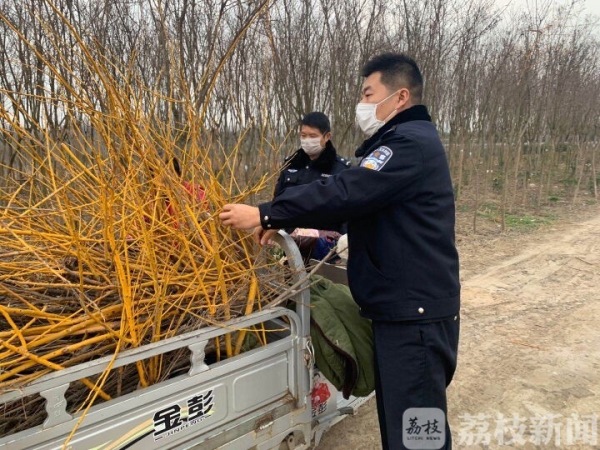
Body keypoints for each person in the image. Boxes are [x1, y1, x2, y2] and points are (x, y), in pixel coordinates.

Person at [220, 52, 460, 450]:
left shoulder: (408, 145)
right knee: (404, 426)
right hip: (401, 310)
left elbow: (345, 192)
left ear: (400, 97)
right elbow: (352, 201)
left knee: (418, 431)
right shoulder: (396, 143)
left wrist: (265, 213)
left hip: (414, 318)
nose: (362, 104)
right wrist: (281, 221)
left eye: (369, 93)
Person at [265, 111, 351, 261]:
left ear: (327, 137)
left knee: (323, 284)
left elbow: (347, 212)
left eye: (312, 136)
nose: (307, 140)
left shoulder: (340, 169)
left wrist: (342, 244)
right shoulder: (292, 164)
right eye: (303, 136)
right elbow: (278, 200)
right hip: (290, 246)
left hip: (326, 250)